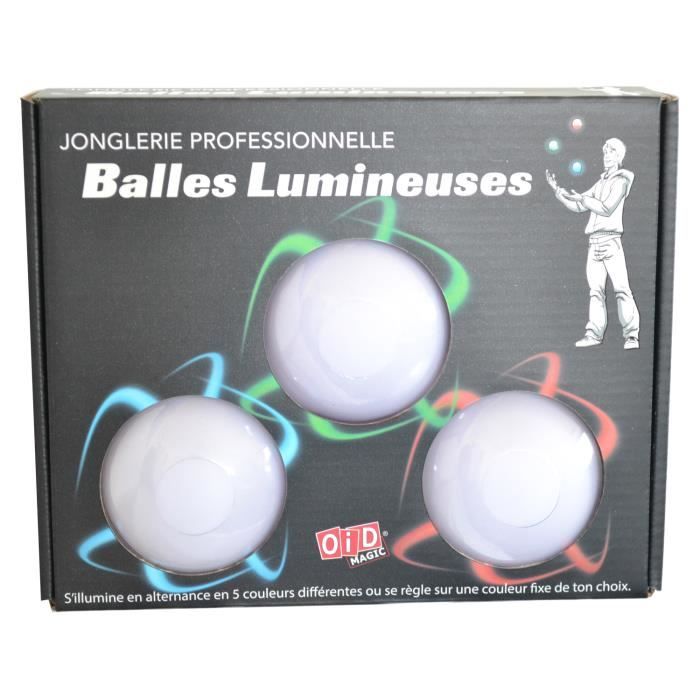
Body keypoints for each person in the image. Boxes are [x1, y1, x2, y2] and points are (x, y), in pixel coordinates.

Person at [546, 138, 640, 349]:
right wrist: (558, 192)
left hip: (611, 242)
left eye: (611, 152)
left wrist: (583, 199)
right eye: (605, 152)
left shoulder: (621, 181)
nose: (606, 156)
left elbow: (606, 208)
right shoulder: (601, 182)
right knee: (595, 292)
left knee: (622, 289)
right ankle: (594, 335)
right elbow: (579, 205)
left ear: (619, 156)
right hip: (594, 243)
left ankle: (632, 336)